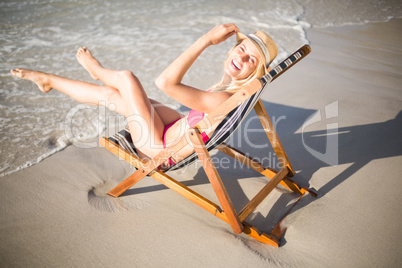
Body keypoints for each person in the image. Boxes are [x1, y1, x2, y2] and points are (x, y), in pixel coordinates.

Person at [10, 23, 278, 169]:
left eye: (250, 59)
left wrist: (206, 39)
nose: (240, 57)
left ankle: (96, 71)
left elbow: (165, 82)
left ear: (256, 72)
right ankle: (49, 81)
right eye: (241, 48)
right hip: (176, 127)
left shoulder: (224, 101)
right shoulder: (231, 87)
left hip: (159, 147)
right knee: (113, 94)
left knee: (125, 79)